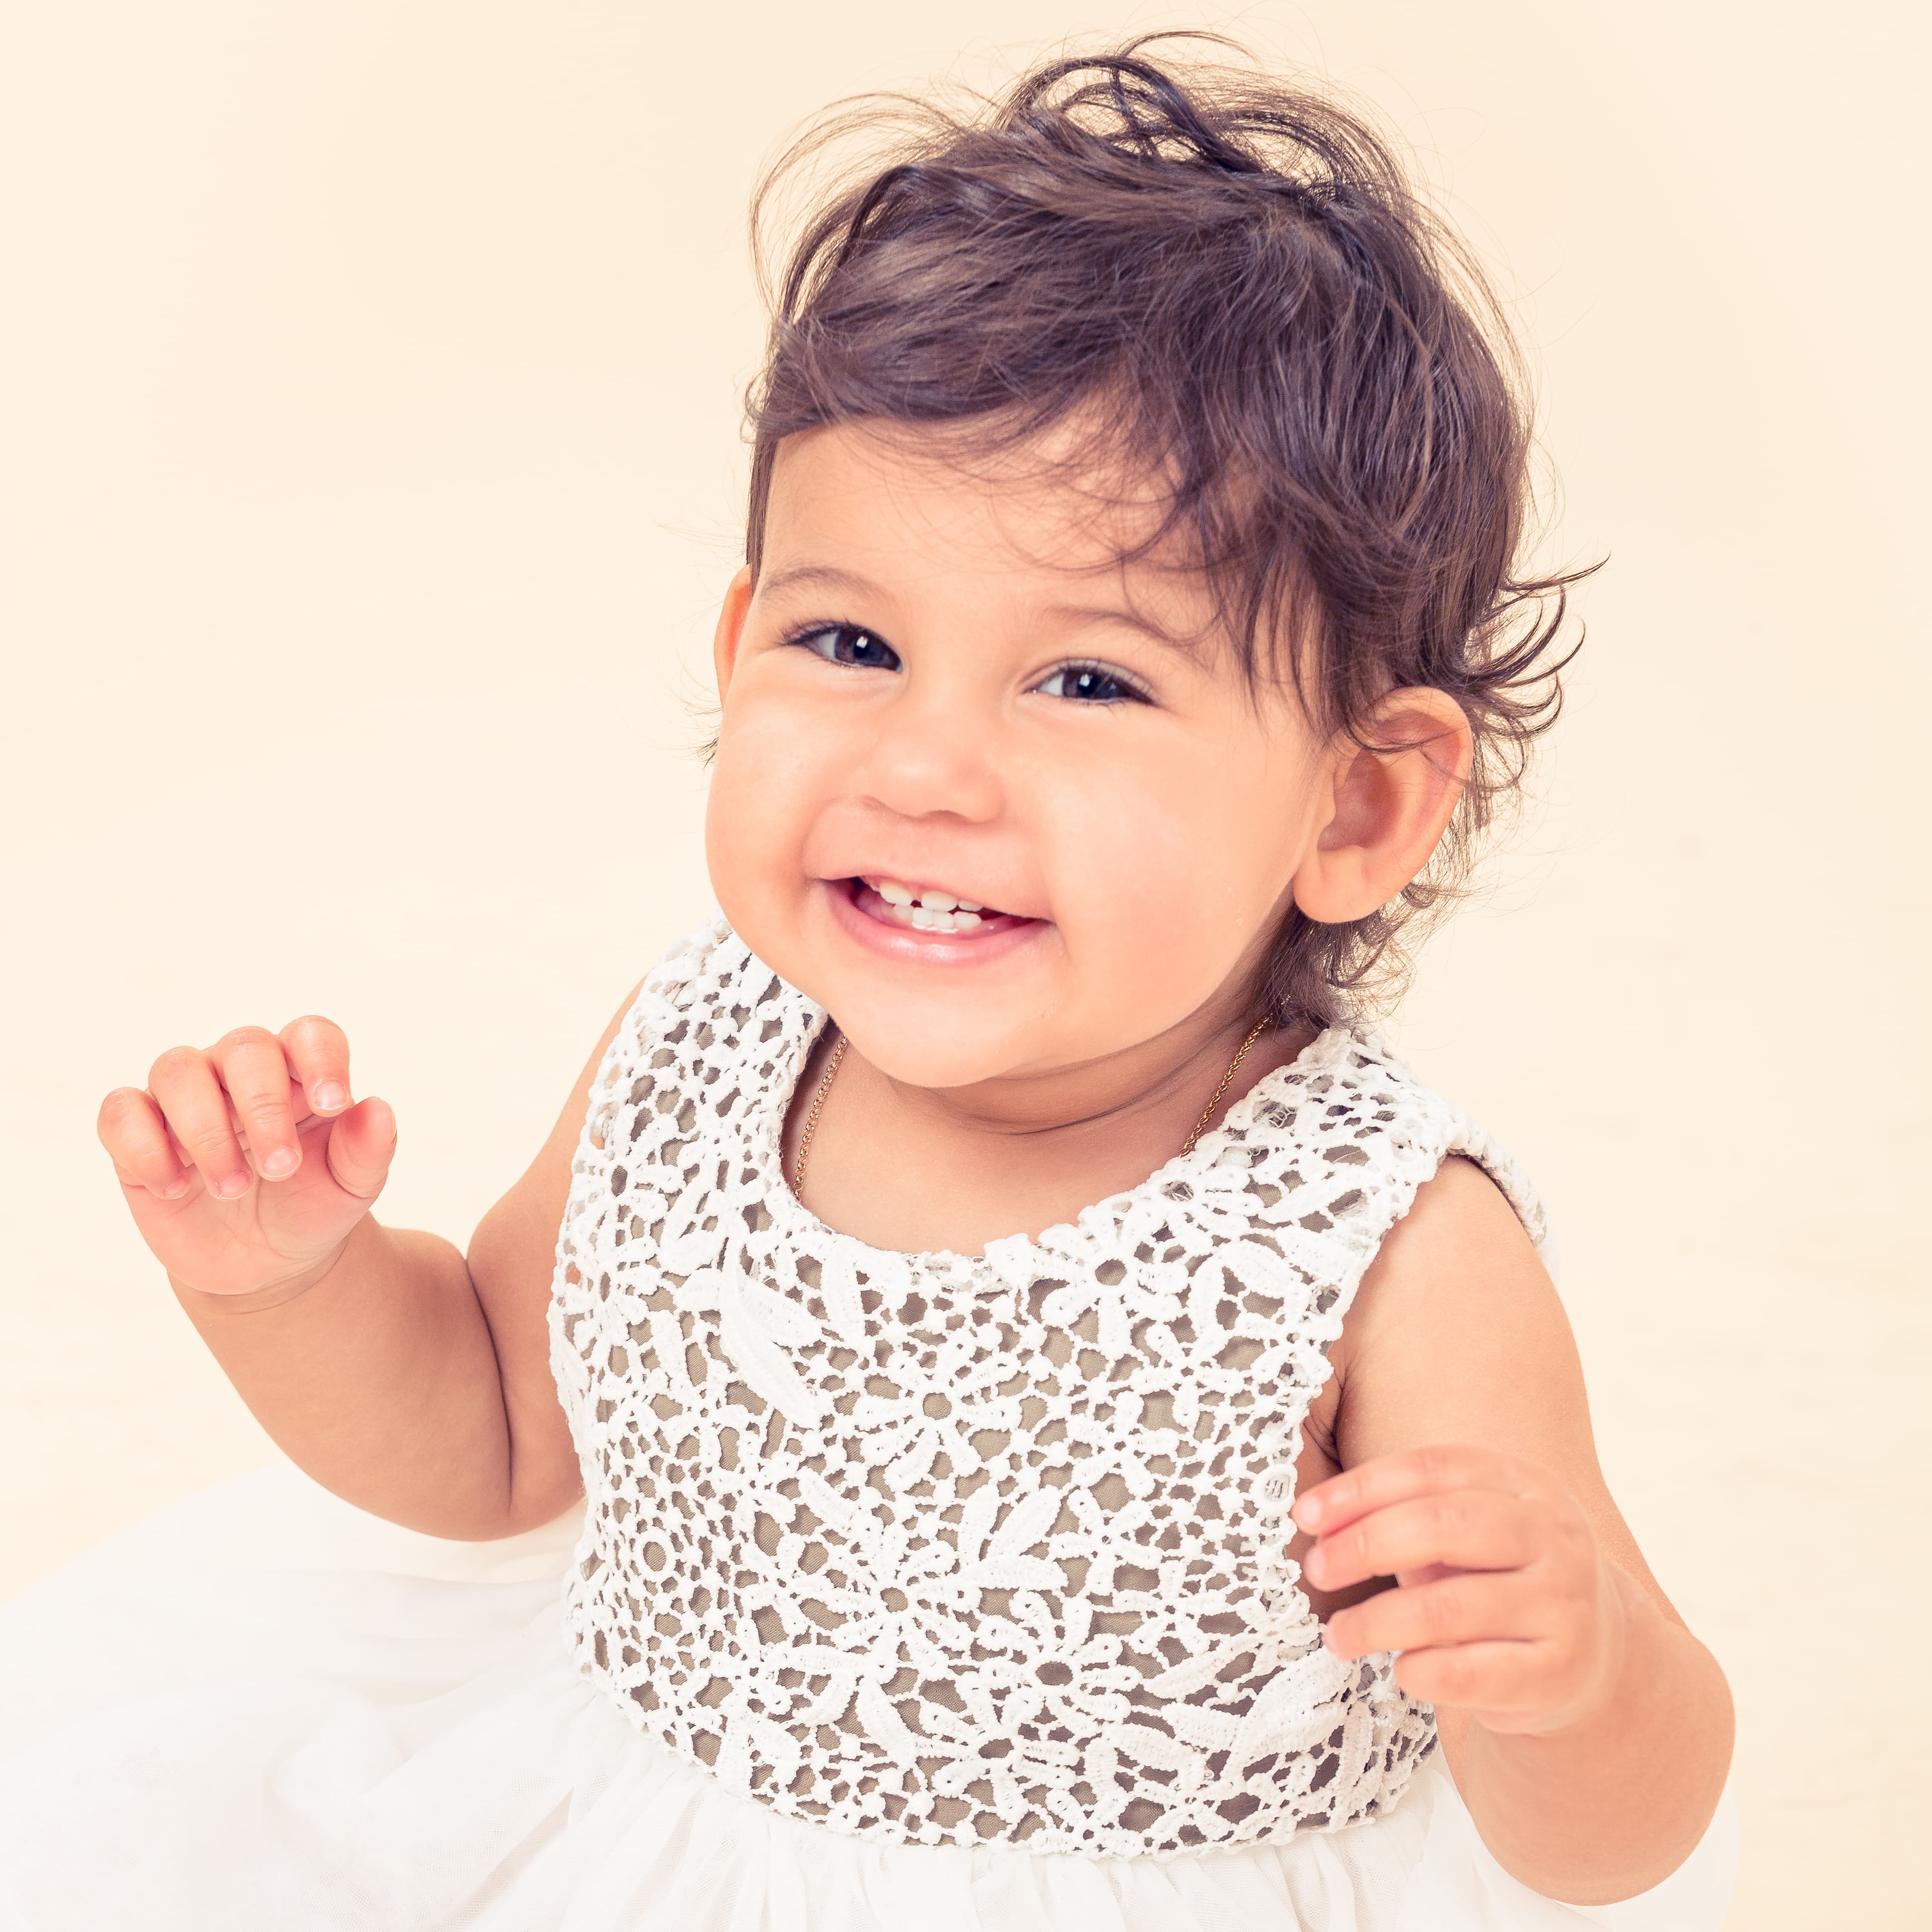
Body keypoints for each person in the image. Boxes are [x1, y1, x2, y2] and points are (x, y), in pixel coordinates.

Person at [0, 37, 1739, 1930]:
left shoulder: (1377, 1239)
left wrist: (1569, 1673)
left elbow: (1610, 1839)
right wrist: (296, 1282)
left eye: (1089, 681)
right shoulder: (705, 1042)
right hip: (647, 1846)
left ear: (1357, 796)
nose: (923, 769)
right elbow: (496, 1433)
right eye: (849, 639)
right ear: (740, 645)